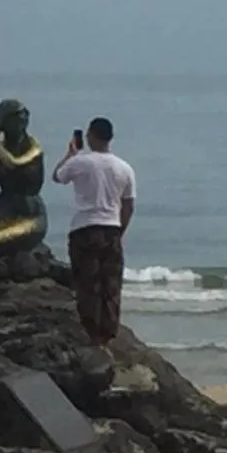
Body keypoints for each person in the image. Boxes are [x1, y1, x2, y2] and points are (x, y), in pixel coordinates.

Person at [51, 116, 136, 350]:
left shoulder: (81, 162)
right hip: (111, 228)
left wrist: (70, 154)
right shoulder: (124, 167)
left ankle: (90, 334)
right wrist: (120, 230)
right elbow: (128, 205)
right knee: (110, 285)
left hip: (85, 227)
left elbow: (57, 176)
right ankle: (107, 335)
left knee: (87, 284)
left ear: (91, 136)